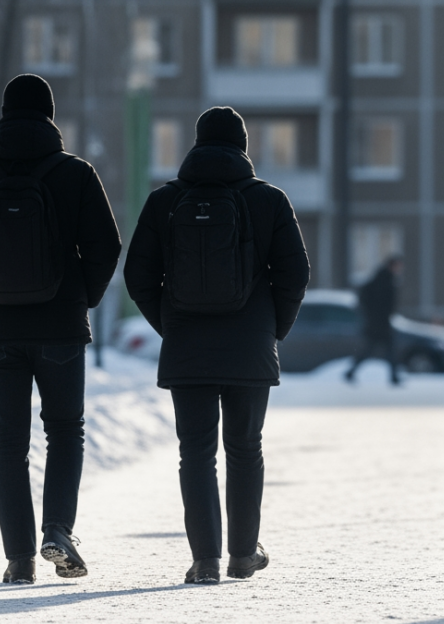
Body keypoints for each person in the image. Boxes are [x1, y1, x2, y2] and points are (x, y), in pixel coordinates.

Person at [0, 74, 121, 585]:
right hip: (60, 327)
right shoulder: (76, 174)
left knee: (8, 443)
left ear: (3, 114)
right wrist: (80, 299)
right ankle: (57, 531)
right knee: (65, 430)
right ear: (50, 116)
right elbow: (106, 247)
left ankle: (18, 559)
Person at [124, 106, 310, 585]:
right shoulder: (268, 200)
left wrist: (172, 324)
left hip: (188, 345)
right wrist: (272, 328)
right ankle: (243, 555)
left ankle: (205, 559)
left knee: (196, 452)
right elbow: (295, 273)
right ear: (243, 147)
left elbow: (138, 276)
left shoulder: (164, 201)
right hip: (249, 345)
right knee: (246, 449)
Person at [344, 256, 403, 385]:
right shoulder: (383, 280)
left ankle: (393, 376)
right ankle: (351, 372)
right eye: (397, 266)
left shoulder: (385, 279)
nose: (399, 269)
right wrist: (374, 316)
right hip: (378, 324)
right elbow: (378, 302)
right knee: (376, 350)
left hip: (379, 323)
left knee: (381, 350)